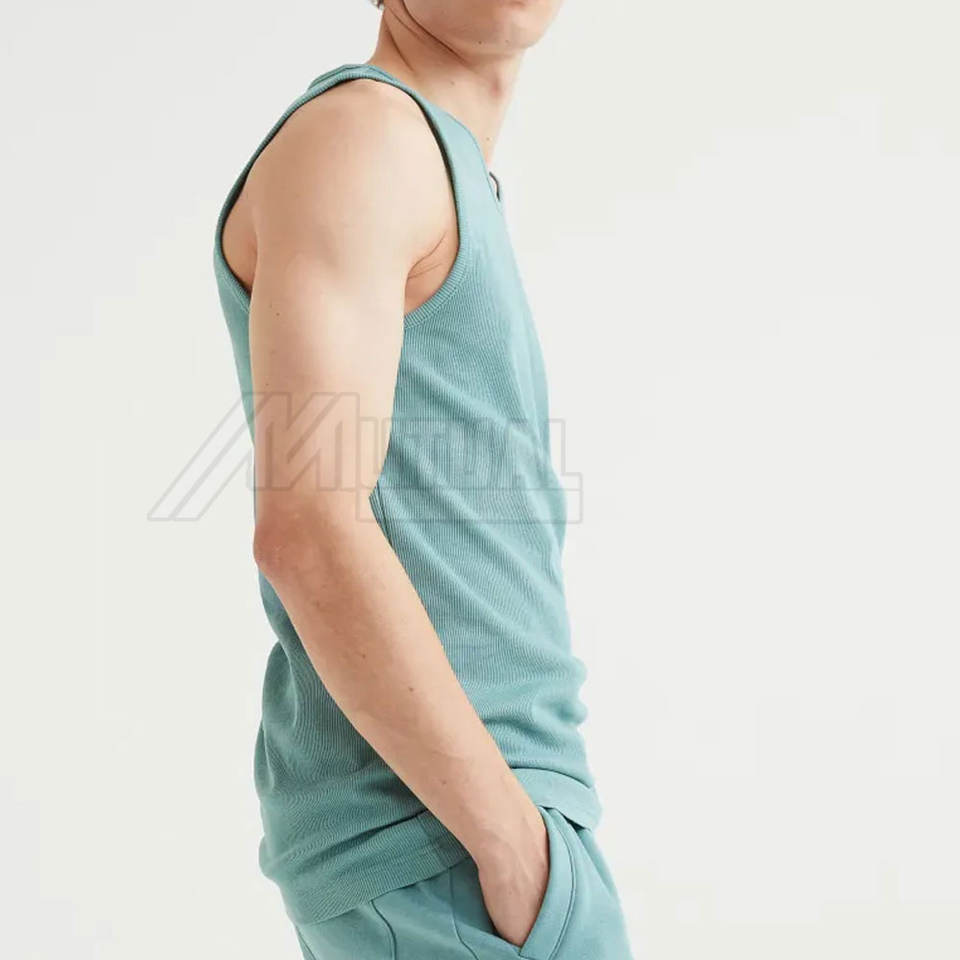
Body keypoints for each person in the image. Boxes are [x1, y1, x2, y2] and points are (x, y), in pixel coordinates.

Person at [213, 2, 634, 957]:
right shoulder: (365, 139)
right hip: (441, 844)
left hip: (467, 839)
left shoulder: (434, 161)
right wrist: (509, 845)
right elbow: (310, 530)